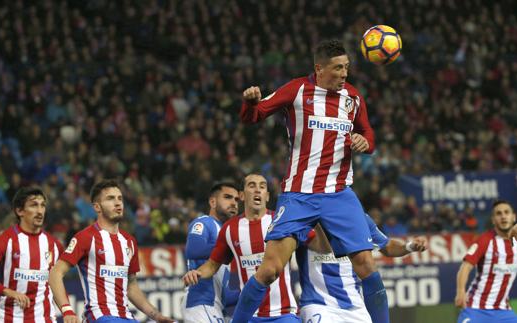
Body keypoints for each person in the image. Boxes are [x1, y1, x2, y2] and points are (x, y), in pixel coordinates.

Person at [233, 39, 388, 323]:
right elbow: (253, 117)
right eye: (338, 68)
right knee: (269, 270)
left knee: (366, 264)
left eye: (347, 68)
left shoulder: (352, 98)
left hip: (339, 194)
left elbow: (369, 133)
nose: (344, 74)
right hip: (299, 195)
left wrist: (365, 141)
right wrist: (249, 103)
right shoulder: (297, 90)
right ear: (319, 69)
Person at [48, 179, 174, 323]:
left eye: (120, 198)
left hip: (126, 317)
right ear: (97, 207)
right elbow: (55, 273)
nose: (117, 202)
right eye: (110, 198)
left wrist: (156, 316)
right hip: (99, 316)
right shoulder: (85, 238)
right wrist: (67, 310)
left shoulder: (129, 241)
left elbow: (131, 286)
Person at [183, 174, 299, 322]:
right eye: (252, 185)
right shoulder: (230, 229)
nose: (257, 190)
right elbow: (212, 265)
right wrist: (197, 273)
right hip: (248, 316)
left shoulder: (282, 222)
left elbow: (314, 243)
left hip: (283, 313)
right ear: (242, 195)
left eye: (262, 186)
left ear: (267, 196)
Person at [298, 214, 427, 322]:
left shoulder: (358, 218)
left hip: (356, 307)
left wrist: (410, 246)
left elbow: (387, 246)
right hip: (318, 305)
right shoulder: (301, 219)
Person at [0, 187, 63, 322]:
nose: (39, 211)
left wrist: (67, 309)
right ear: (19, 211)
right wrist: (8, 292)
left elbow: (57, 282)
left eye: (42, 205)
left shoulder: (54, 244)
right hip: (11, 318)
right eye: (33, 205)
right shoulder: (4, 241)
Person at [454, 200, 517, 323]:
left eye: (506, 212)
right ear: (493, 220)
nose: (503, 216)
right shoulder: (485, 240)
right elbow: (466, 266)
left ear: (514, 217)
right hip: (475, 309)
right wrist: (460, 291)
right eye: (498, 213)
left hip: (503, 311)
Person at [182, 182, 240, 322]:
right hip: (201, 302)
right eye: (227, 197)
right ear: (213, 202)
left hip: (216, 306)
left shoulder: (227, 232)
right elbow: (193, 249)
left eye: (236, 199)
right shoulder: (204, 222)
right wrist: (232, 248)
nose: (233, 203)